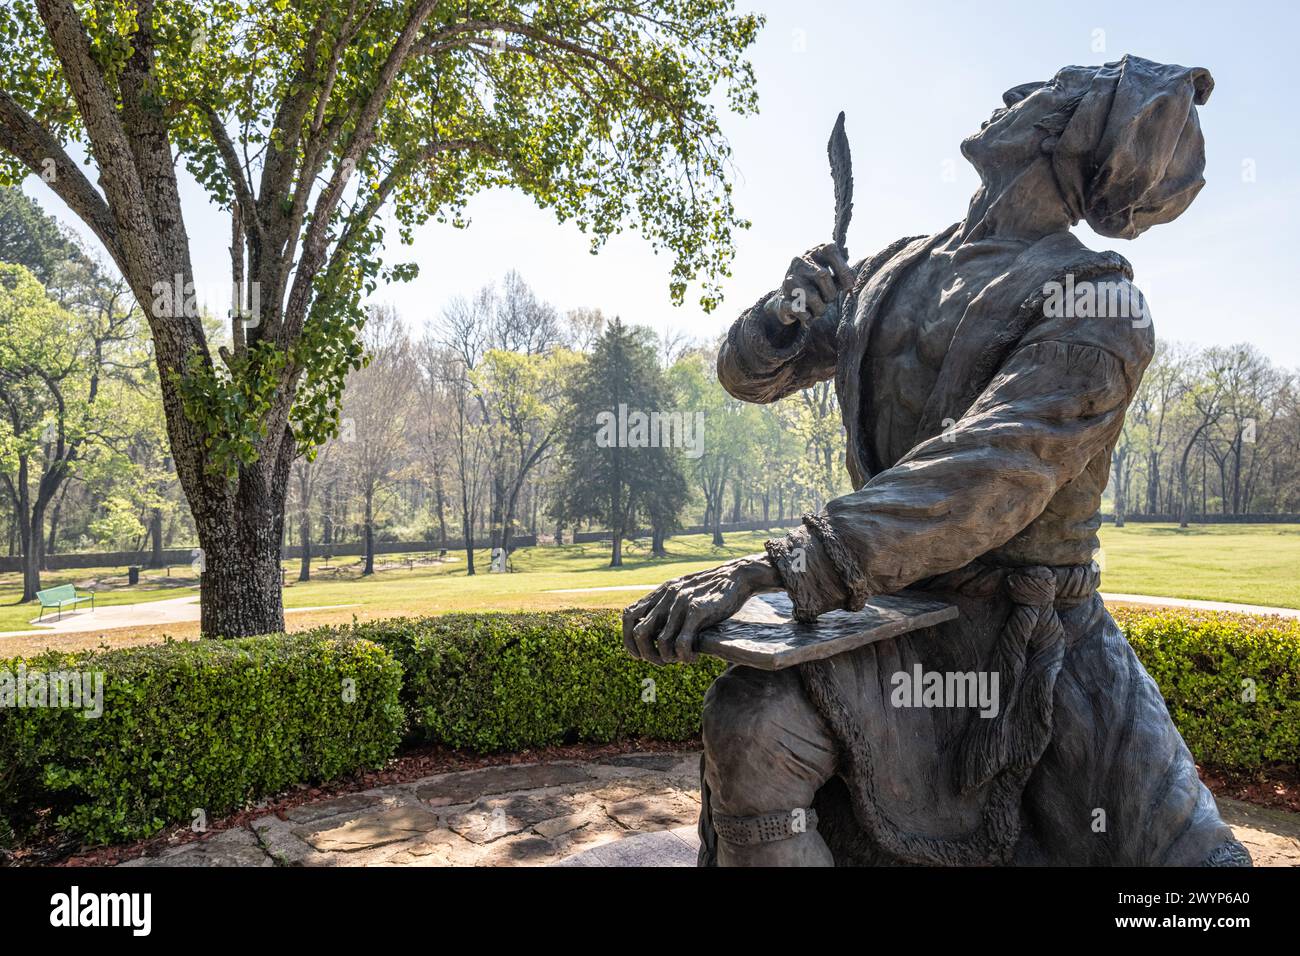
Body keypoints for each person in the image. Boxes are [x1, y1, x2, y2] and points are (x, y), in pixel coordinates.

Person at [622, 55, 1249, 867]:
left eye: (1048, 91)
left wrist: (771, 568)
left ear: (1071, 138)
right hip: (894, 618)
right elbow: (750, 377)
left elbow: (987, 471)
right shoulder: (896, 270)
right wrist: (785, 312)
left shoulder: (1101, 307)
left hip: (1032, 642)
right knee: (752, 725)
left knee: (1198, 883)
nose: (1017, 93)